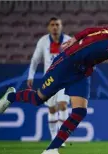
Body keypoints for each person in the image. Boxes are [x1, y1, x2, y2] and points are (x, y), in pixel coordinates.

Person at [0, 15, 108, 154]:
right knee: (38, 98)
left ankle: (52, 149)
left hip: (82, 72)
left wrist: (75, 37)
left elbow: (90, 30)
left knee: (80, 111)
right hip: (65, 66)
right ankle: (11, 97)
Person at [28, 17, 71, 147]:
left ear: (61, 26)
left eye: (57, 24)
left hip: (65, 78)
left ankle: (61, 137)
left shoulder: (69, 40)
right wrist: (31, 76)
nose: (55, 27)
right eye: (52, 25)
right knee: (52, 109)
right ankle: (54, 136)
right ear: (48, 27)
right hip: (49, 79)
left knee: (63, 105)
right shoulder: (43, 41)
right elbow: (35, 60)